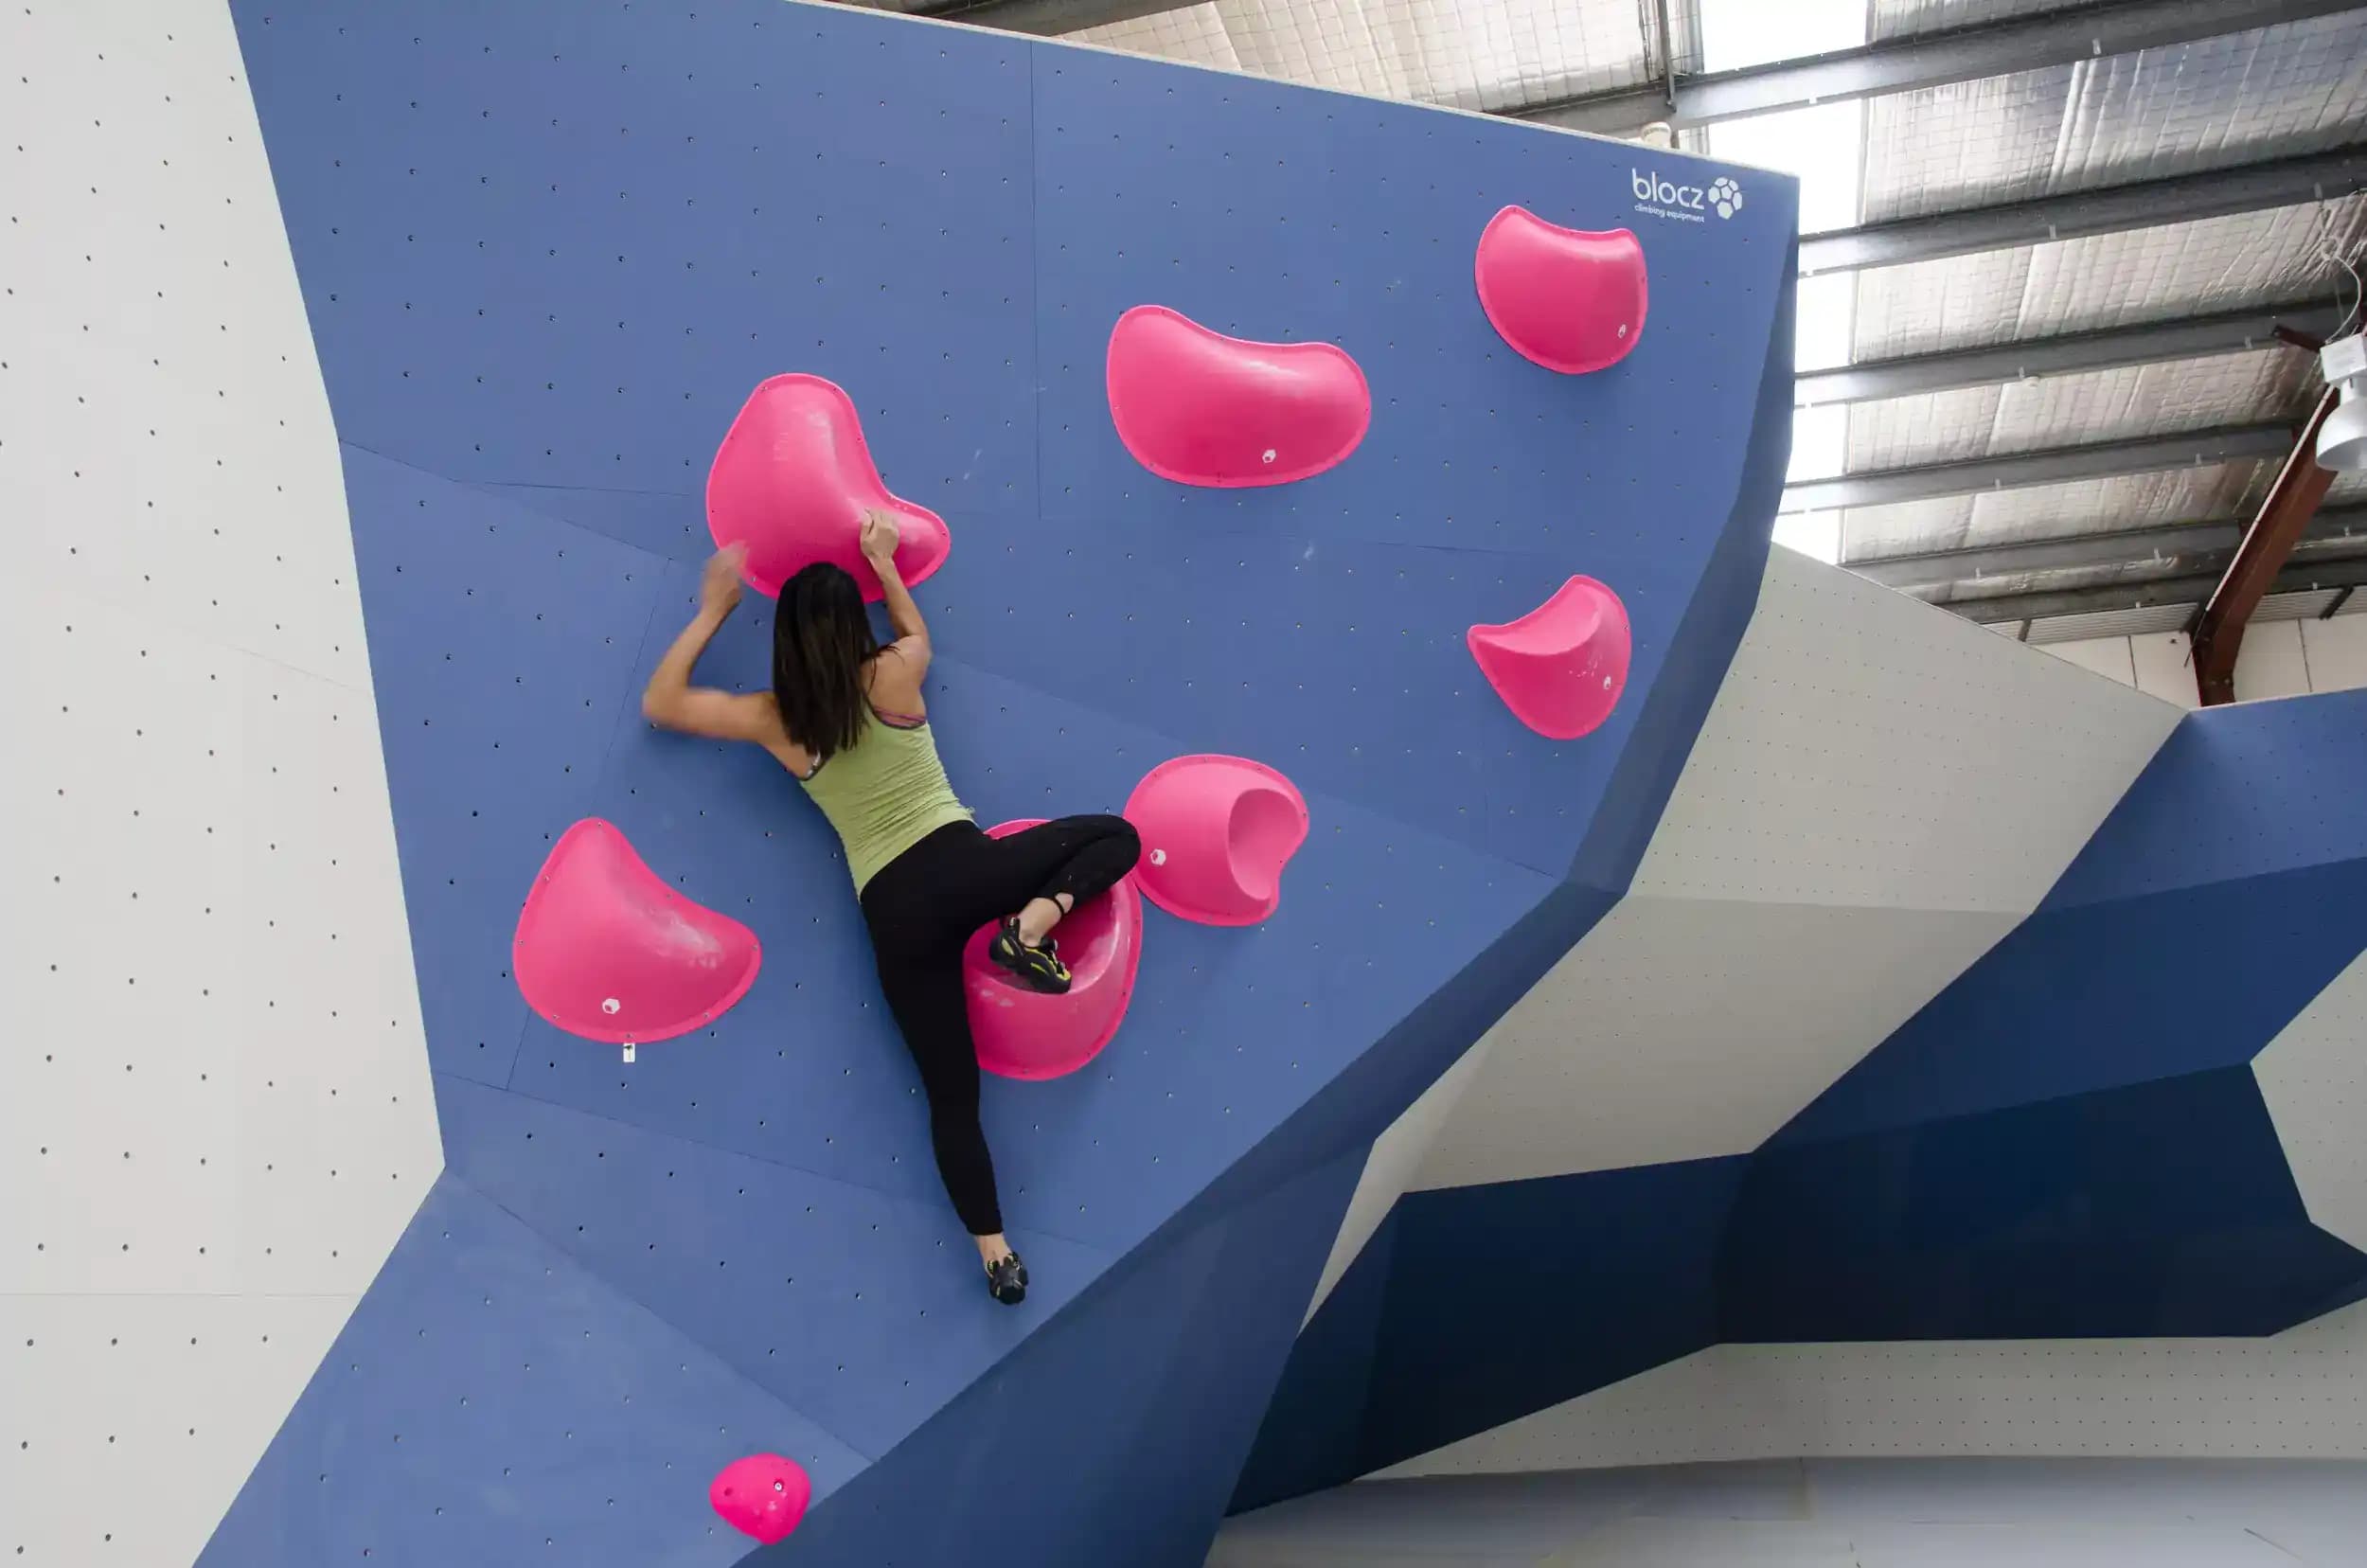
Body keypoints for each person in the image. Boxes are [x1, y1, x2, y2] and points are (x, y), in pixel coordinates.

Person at [640, 511, 1141, 1306]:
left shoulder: (776, 718)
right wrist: (884, 565)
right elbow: (919, 633)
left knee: (951, 1096)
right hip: (963, 865)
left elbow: (663, 704)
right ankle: (1032, 927)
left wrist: (712, 610)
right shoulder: (894, 672)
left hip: (893, 912)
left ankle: (996, 1255)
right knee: (1117, 836)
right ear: (851, 624)